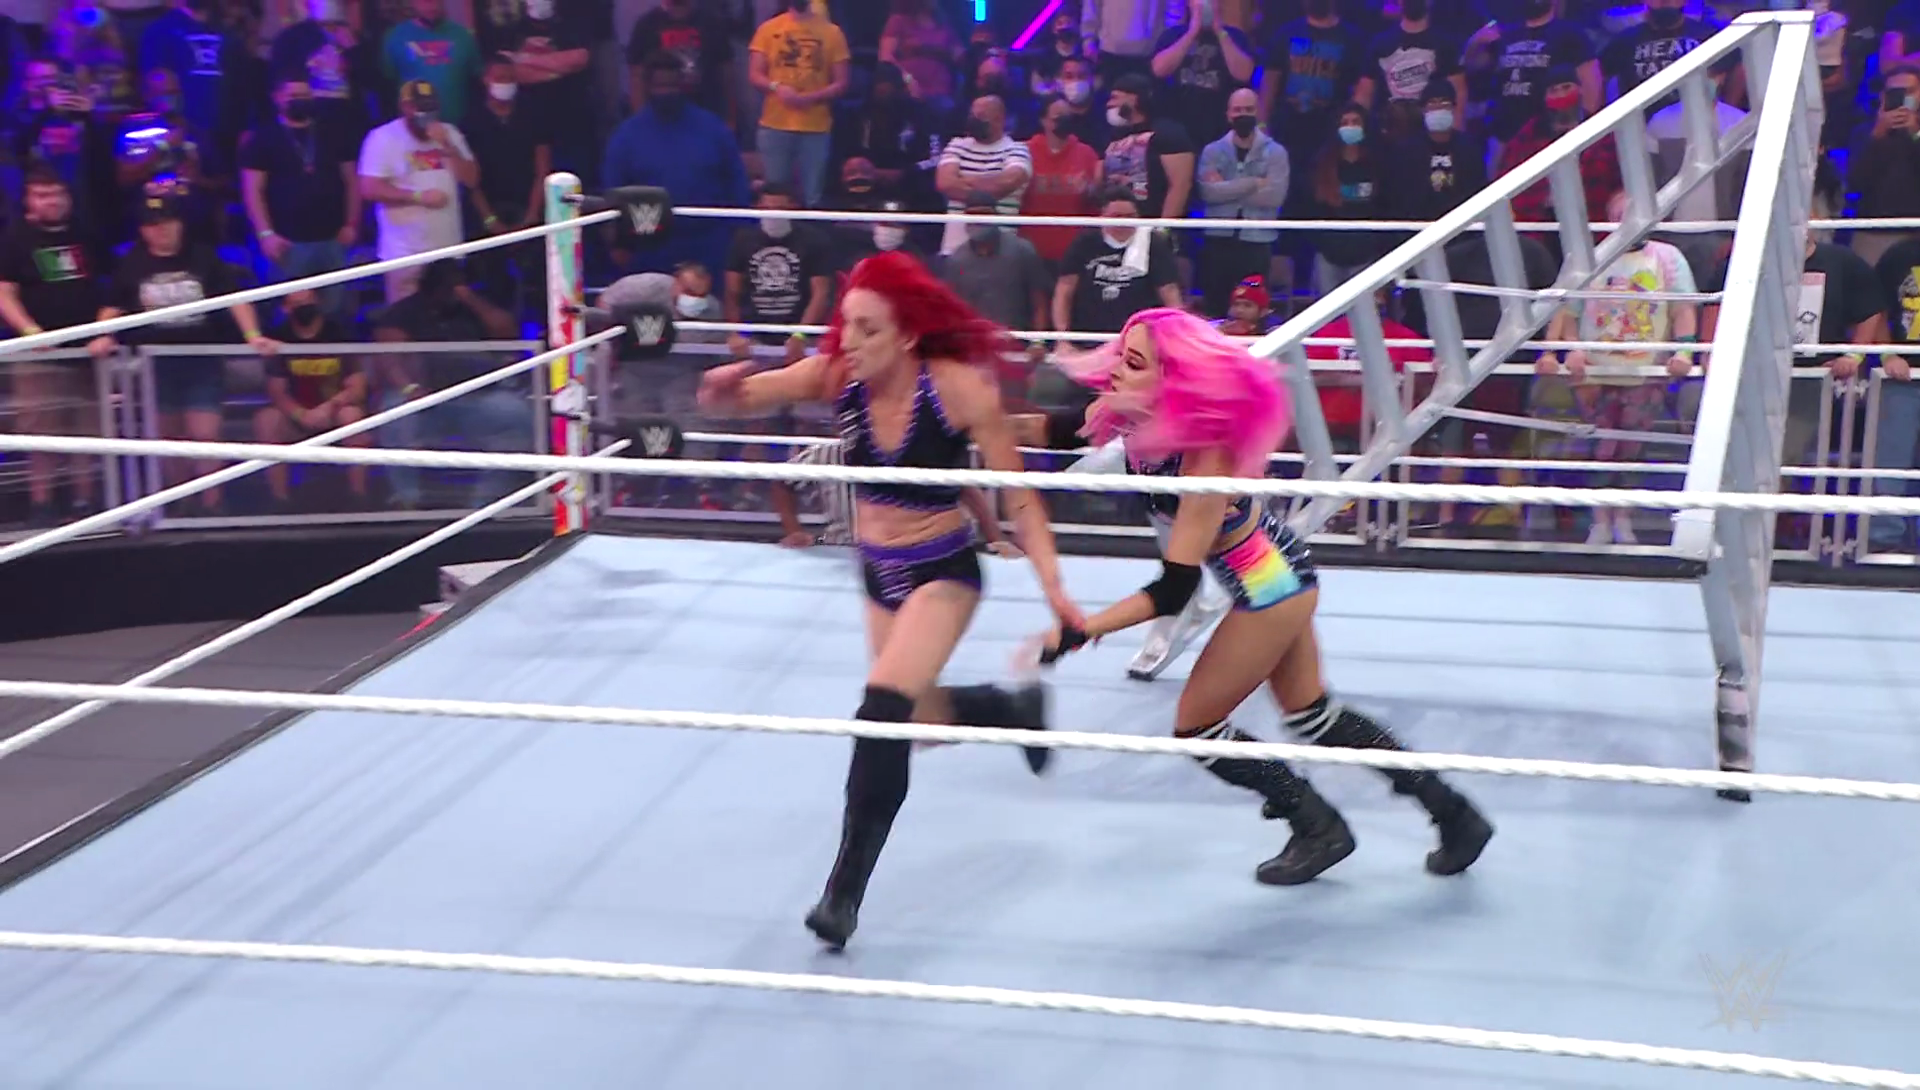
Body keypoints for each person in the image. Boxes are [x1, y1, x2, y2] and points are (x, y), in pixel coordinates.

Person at [697, 251, 1085, 951]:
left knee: (880, 712)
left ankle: (842, 894)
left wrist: (1053, 585)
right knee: (918, 722)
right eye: (846, 324)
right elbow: (747, 397)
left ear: (907, 335)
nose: (849, 341)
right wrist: (720, 391)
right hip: (877, 571)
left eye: (868, 329)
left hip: (943, 570)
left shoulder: (959, 389)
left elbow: (1020, 497)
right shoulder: (838, 375)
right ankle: (1010, 709)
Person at [1032, 308, 1493, 886]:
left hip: (1269, 583)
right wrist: (963, 422)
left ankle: (1317, 825)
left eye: (1134, 363)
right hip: (1269, 573)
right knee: (1313, 714)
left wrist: (1083, 629)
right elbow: (1046, 431)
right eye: (1120, 358)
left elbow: (1176, 588)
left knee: (1198, 725)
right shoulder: (1133, 417)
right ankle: (1454, 815)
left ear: (1174, 380)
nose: (1115, 372)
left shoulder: (1205, 456)